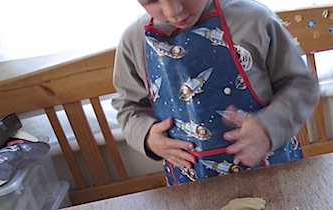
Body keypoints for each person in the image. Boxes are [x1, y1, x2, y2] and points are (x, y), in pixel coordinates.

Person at [112, 0, 319, 184]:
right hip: (192, 188)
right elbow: (128, 108)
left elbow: (301, 84)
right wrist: (147, 136)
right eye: (151, 1)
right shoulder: (134, 41)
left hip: (275, 174)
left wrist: (269, 126)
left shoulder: (253, 19)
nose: (173, 10)